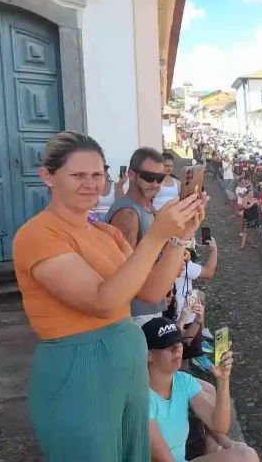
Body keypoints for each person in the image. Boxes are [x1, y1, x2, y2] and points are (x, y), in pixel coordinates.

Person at [13, 131, 206, 460]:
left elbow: (150, 291)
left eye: (97, 174)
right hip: (80, 371)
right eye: (78, 175)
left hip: (126, 370)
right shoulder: (37, 235)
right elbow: (103, 301)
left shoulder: (106, 232)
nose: (90, 184)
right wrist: (156, 235)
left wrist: (178, 239)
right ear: (47, 176)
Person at [144, 318, 259, 462]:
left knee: (247, 455)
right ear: (148, 354)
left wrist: (223, 381)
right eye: (167, 345)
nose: (177, 348)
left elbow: (219, 425)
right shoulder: (140, 397)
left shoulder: (183, 381)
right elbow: (162, 458)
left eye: (178, 342)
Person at [107, 147, 172, 326]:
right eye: (149, 177)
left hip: (149, 305)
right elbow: (126, 270)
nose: (155, 183)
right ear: (131, 175)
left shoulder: (147, 209)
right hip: (136, 312)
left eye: (160, 178)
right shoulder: (128, 213)